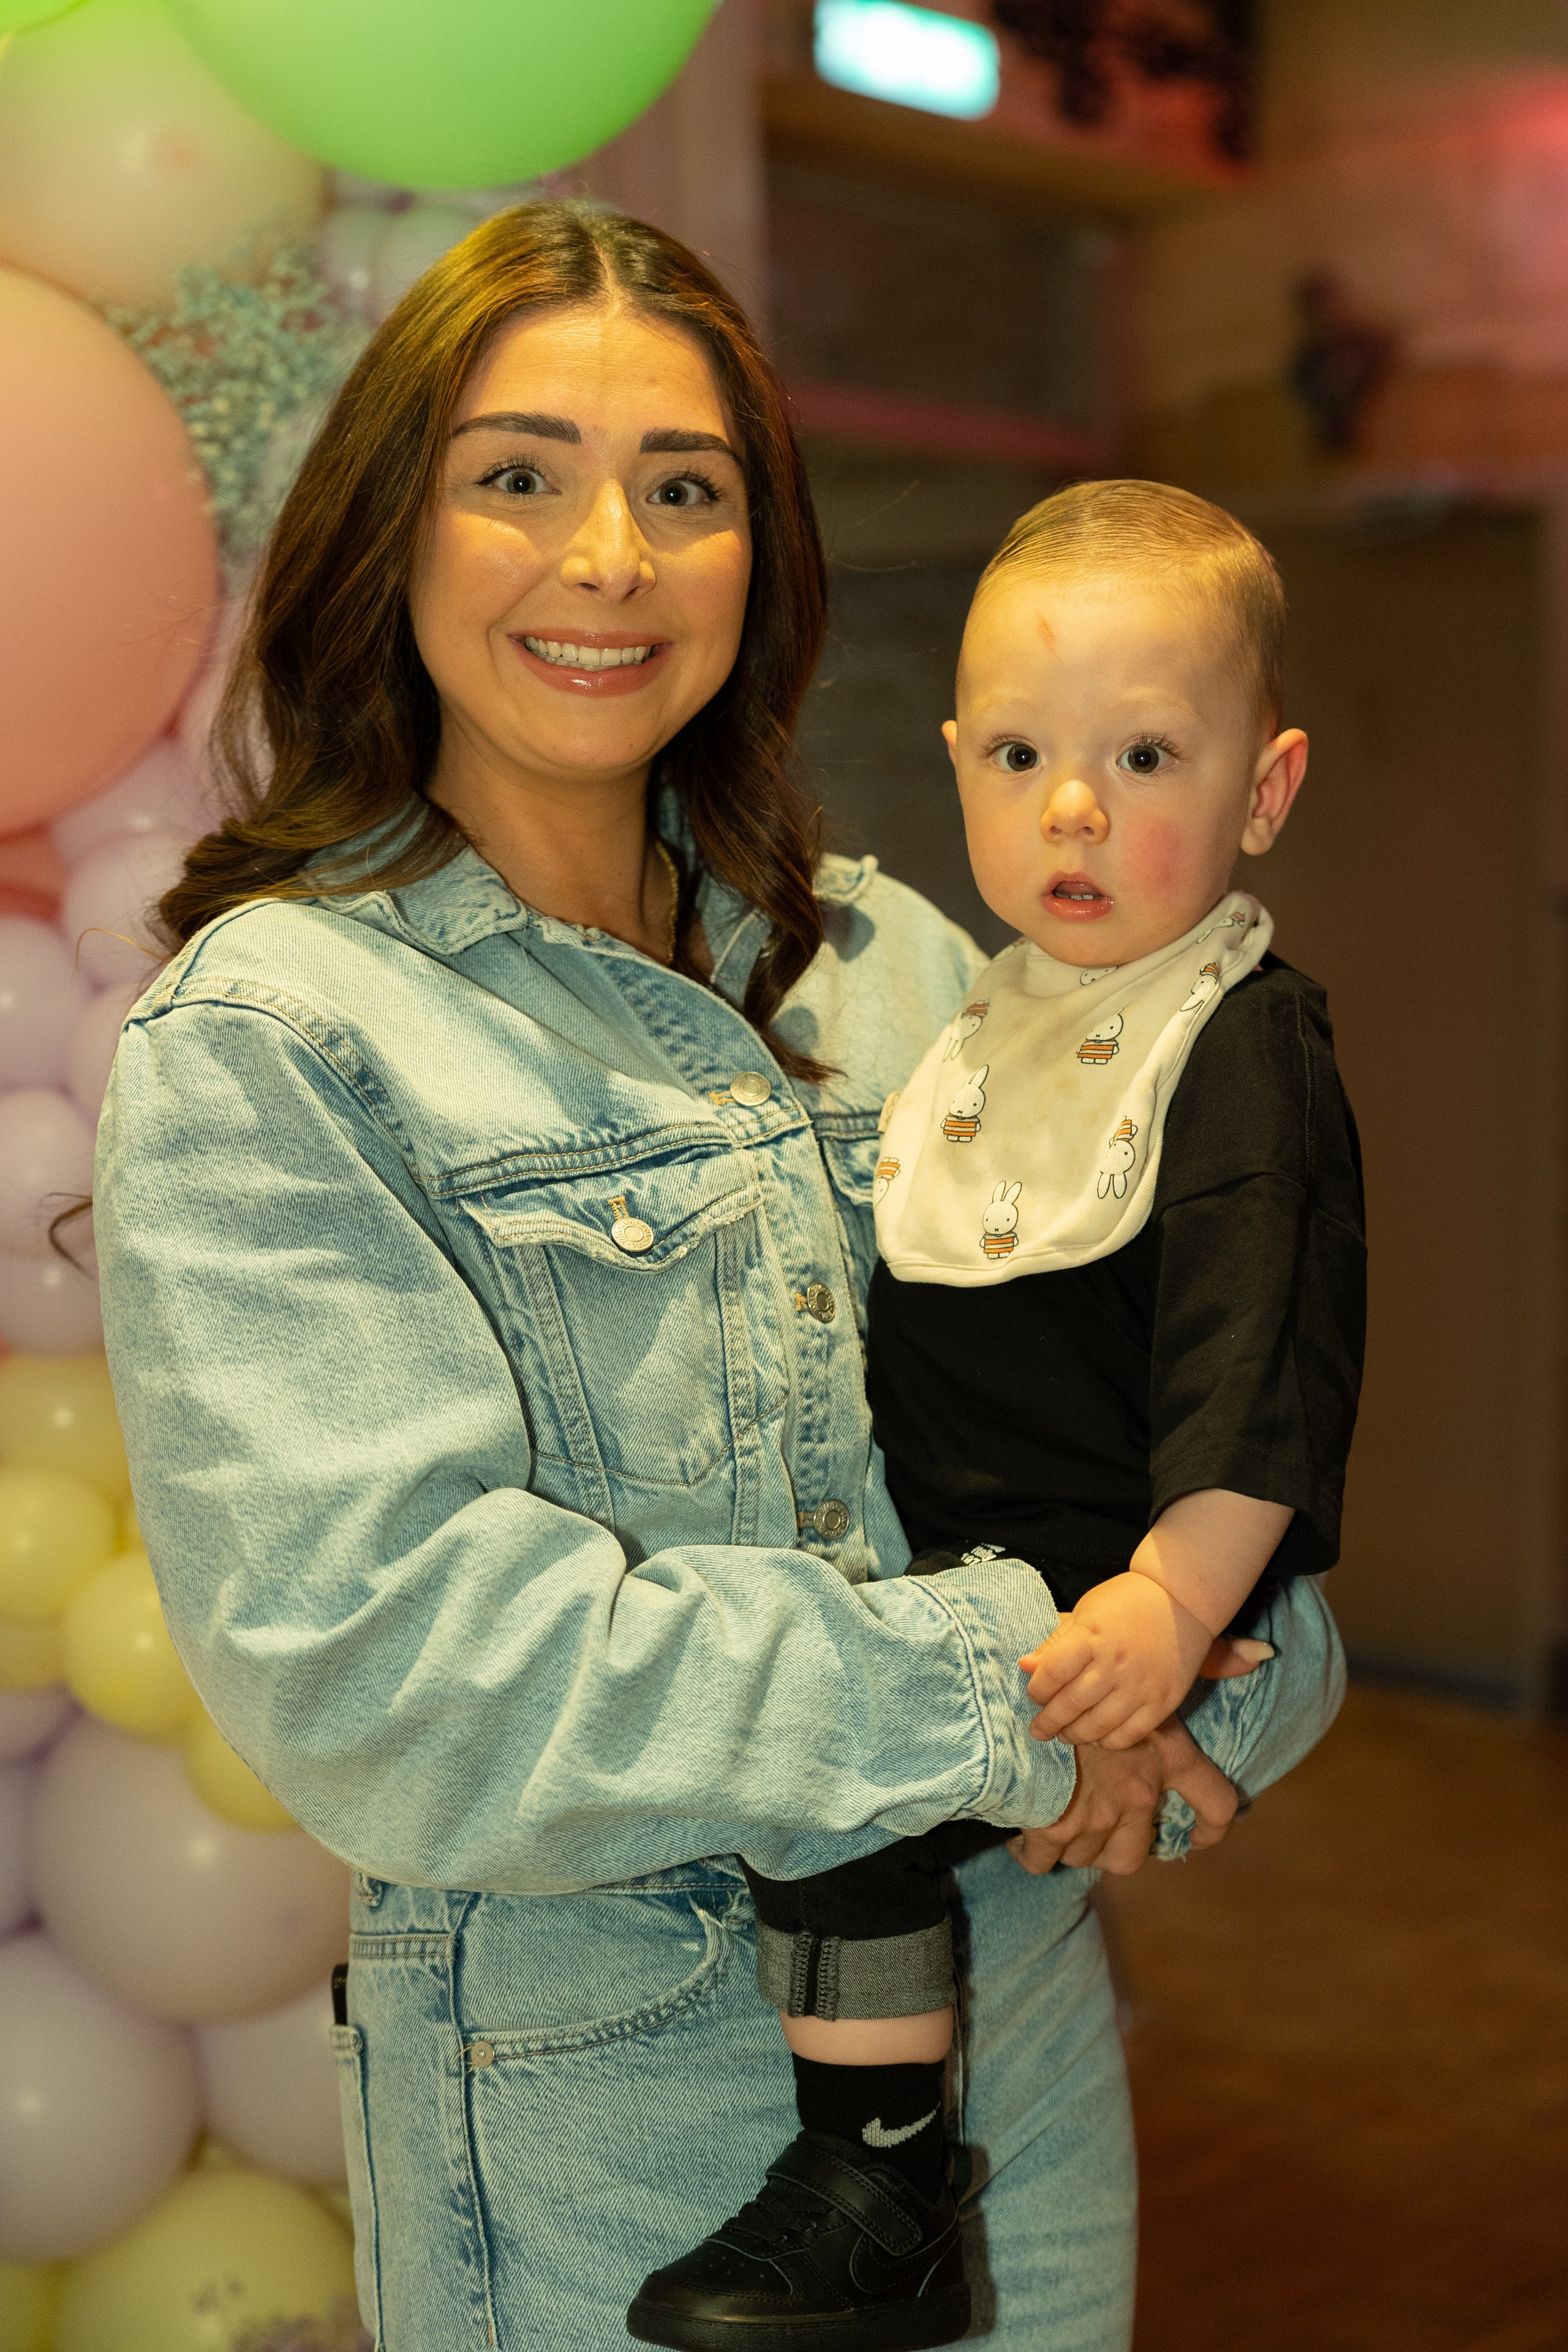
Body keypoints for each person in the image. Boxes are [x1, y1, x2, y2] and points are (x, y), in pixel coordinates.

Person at [92, 208, 1344, 2352]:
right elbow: (406, 1676)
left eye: (685, 490)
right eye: (519, 475)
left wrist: (1217, 1684)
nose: (612, 556)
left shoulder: (924, 981)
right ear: (390, 537)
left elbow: (1212, 1435)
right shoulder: (280, 1040)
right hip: (612, 2142)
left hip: (1021, 2062)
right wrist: (1033, 1702)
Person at [635, 482, 1364, 2350]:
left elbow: (1253, 1362)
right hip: (957, 1571)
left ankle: (875, 2174)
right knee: (838, 1797)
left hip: (1095, 1567)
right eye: (1024, 754)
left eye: (1142, 756)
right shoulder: (983, 1020)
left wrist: (1174, 1614)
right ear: (956, 763)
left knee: (833, 1792)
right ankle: (877, 2169)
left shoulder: (1238, 1040)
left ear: (1264, 791)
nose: (1072, 810)